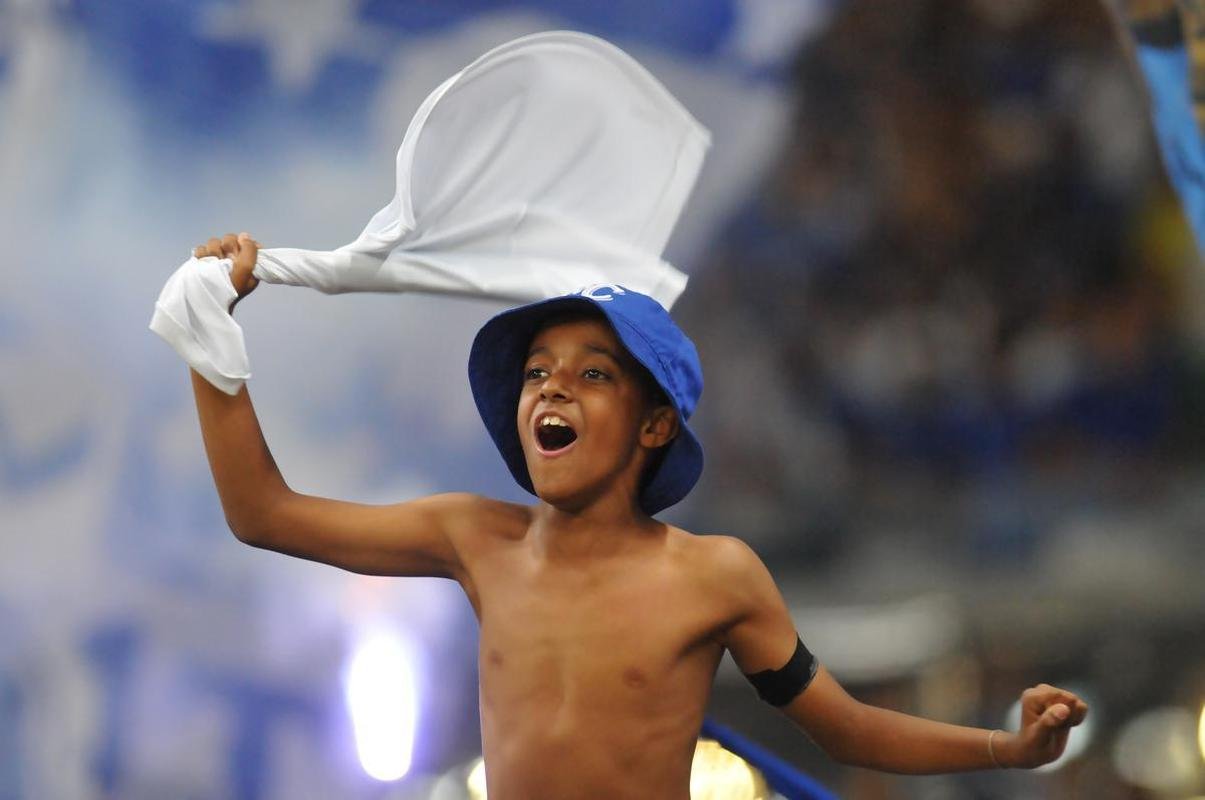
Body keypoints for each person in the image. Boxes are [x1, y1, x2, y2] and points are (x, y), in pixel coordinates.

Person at [189, 231, 1088, 799]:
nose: (551, 387)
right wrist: (208, 334)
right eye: (537, 371)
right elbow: (262, 513)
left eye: (592, 374)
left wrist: (1005, 752)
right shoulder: (474, 537)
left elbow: (845, 728)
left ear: (654, 424)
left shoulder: (713, 575)